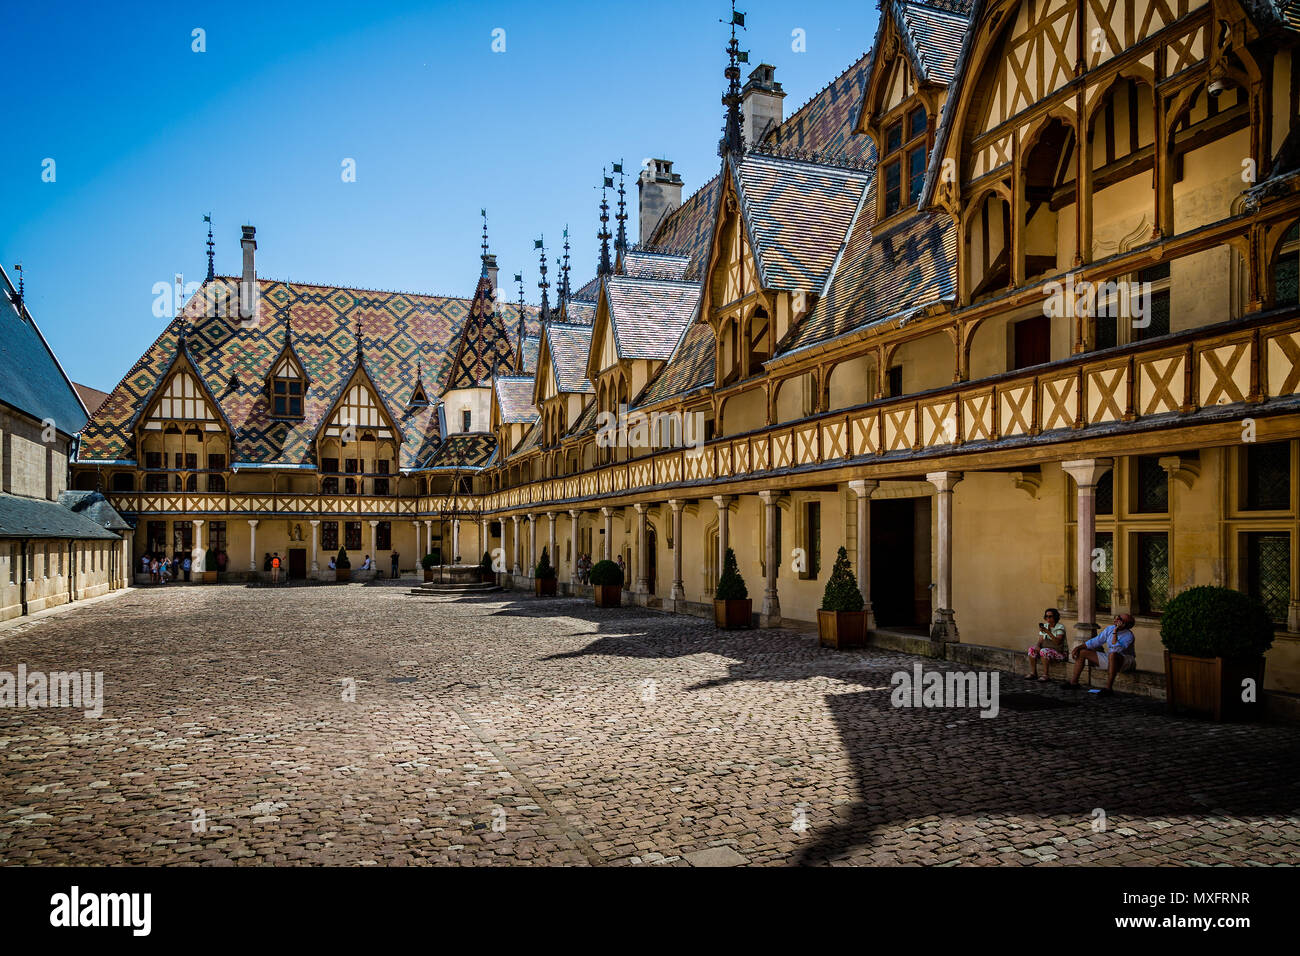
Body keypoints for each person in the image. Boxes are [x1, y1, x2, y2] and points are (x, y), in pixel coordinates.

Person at [1064, 613, 1137, 695]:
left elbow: (1115, 649)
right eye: (1117, 617)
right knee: (1082, 652)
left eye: (1119, 619)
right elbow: (1097, 641)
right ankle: (1074, 682)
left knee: (1112, 654)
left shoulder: (1129, 635)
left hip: (1125, 661)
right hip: (1111, 658)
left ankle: (1108, 688)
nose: (1116, 619)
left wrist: (1115, 632)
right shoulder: (1110, 628)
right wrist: (1079, 647)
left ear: (1124, 624)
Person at [1026, 607, 1067, 681]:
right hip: (1047, 649)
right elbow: (1040, 640)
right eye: (1046, 616)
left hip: (1059, 652)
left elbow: (1058, 642)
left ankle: (1046, 675)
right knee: (1031, 649)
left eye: (1050, 616)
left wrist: (1048, 632)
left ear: (1055, 617)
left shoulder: (1060, 627)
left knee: (1044, 651)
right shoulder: (1045, 626)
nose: (1048, 618)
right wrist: (1037, 646)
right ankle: (1033, 673)